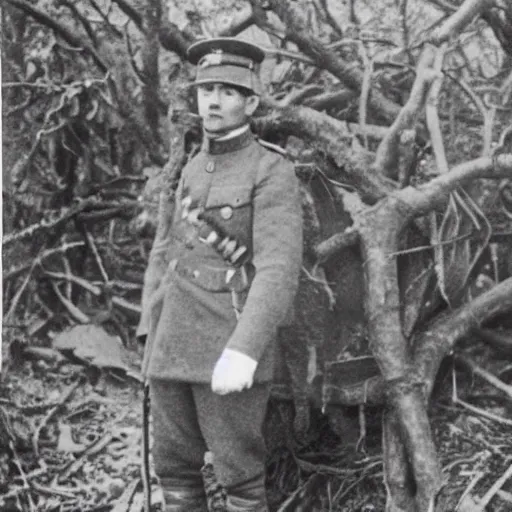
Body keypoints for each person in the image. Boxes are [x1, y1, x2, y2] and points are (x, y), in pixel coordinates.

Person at [137, 37, 303, 512]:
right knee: (173, 470)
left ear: (251, 102)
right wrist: (148, 328)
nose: (212, 99)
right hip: (171, 342)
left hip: (226, 341)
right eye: (206, 88)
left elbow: (277, 268)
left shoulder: (270, 169)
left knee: (239, 473)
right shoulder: (190, 166)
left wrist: (245, 350)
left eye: (228, 91)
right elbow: (164, 250)